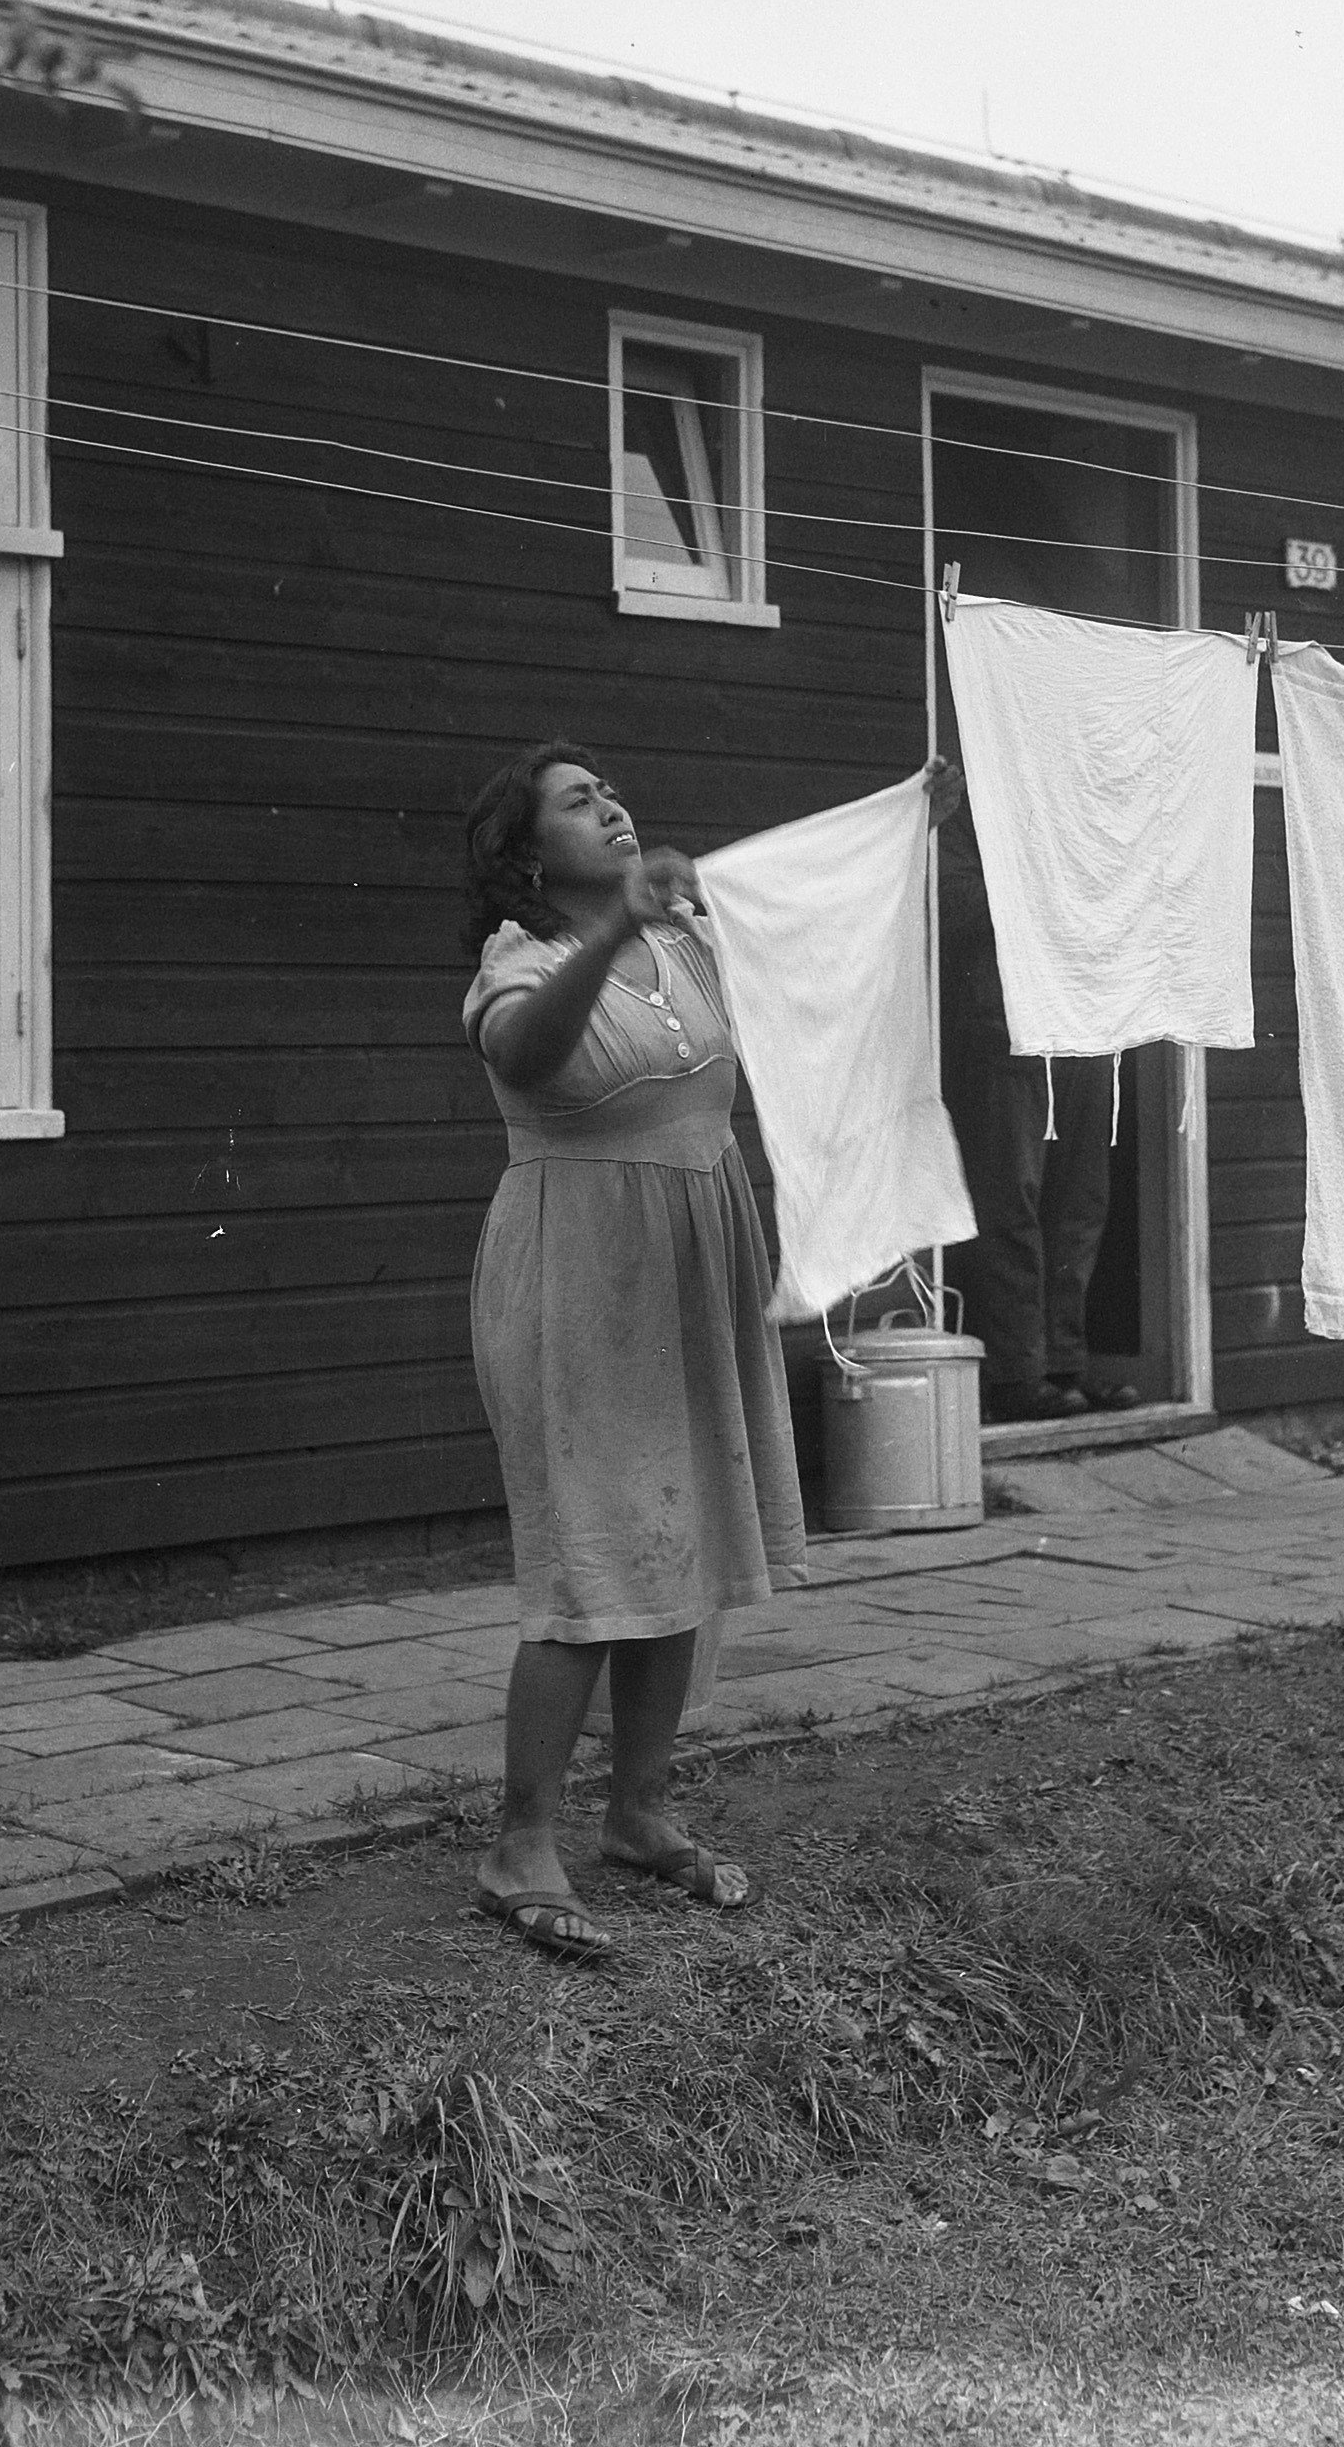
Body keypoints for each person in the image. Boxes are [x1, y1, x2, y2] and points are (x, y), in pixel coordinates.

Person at [457, 742, 805, 1960]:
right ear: (527, 851)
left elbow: (819, 933)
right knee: (594, 1553)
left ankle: (642, 1811)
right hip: (579, 1278)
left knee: (687, 1527)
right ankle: (520, 1843)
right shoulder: (527, 962)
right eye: (576, 800)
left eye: (610, 790)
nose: (609, 806)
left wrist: (910, 827)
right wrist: (612, 935)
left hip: (693, 1267)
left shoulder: (693, 941)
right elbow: (528, 1056)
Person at [929, 757, 1143, 1423]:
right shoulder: (969, 813)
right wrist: (1038, 877)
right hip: (1004, 1033)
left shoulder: (1086, 812)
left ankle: (1064, 1366)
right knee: (1008, 1201)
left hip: (1082, 1027)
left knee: (1080, 1204)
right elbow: (952, 909)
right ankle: (1015, 1373)